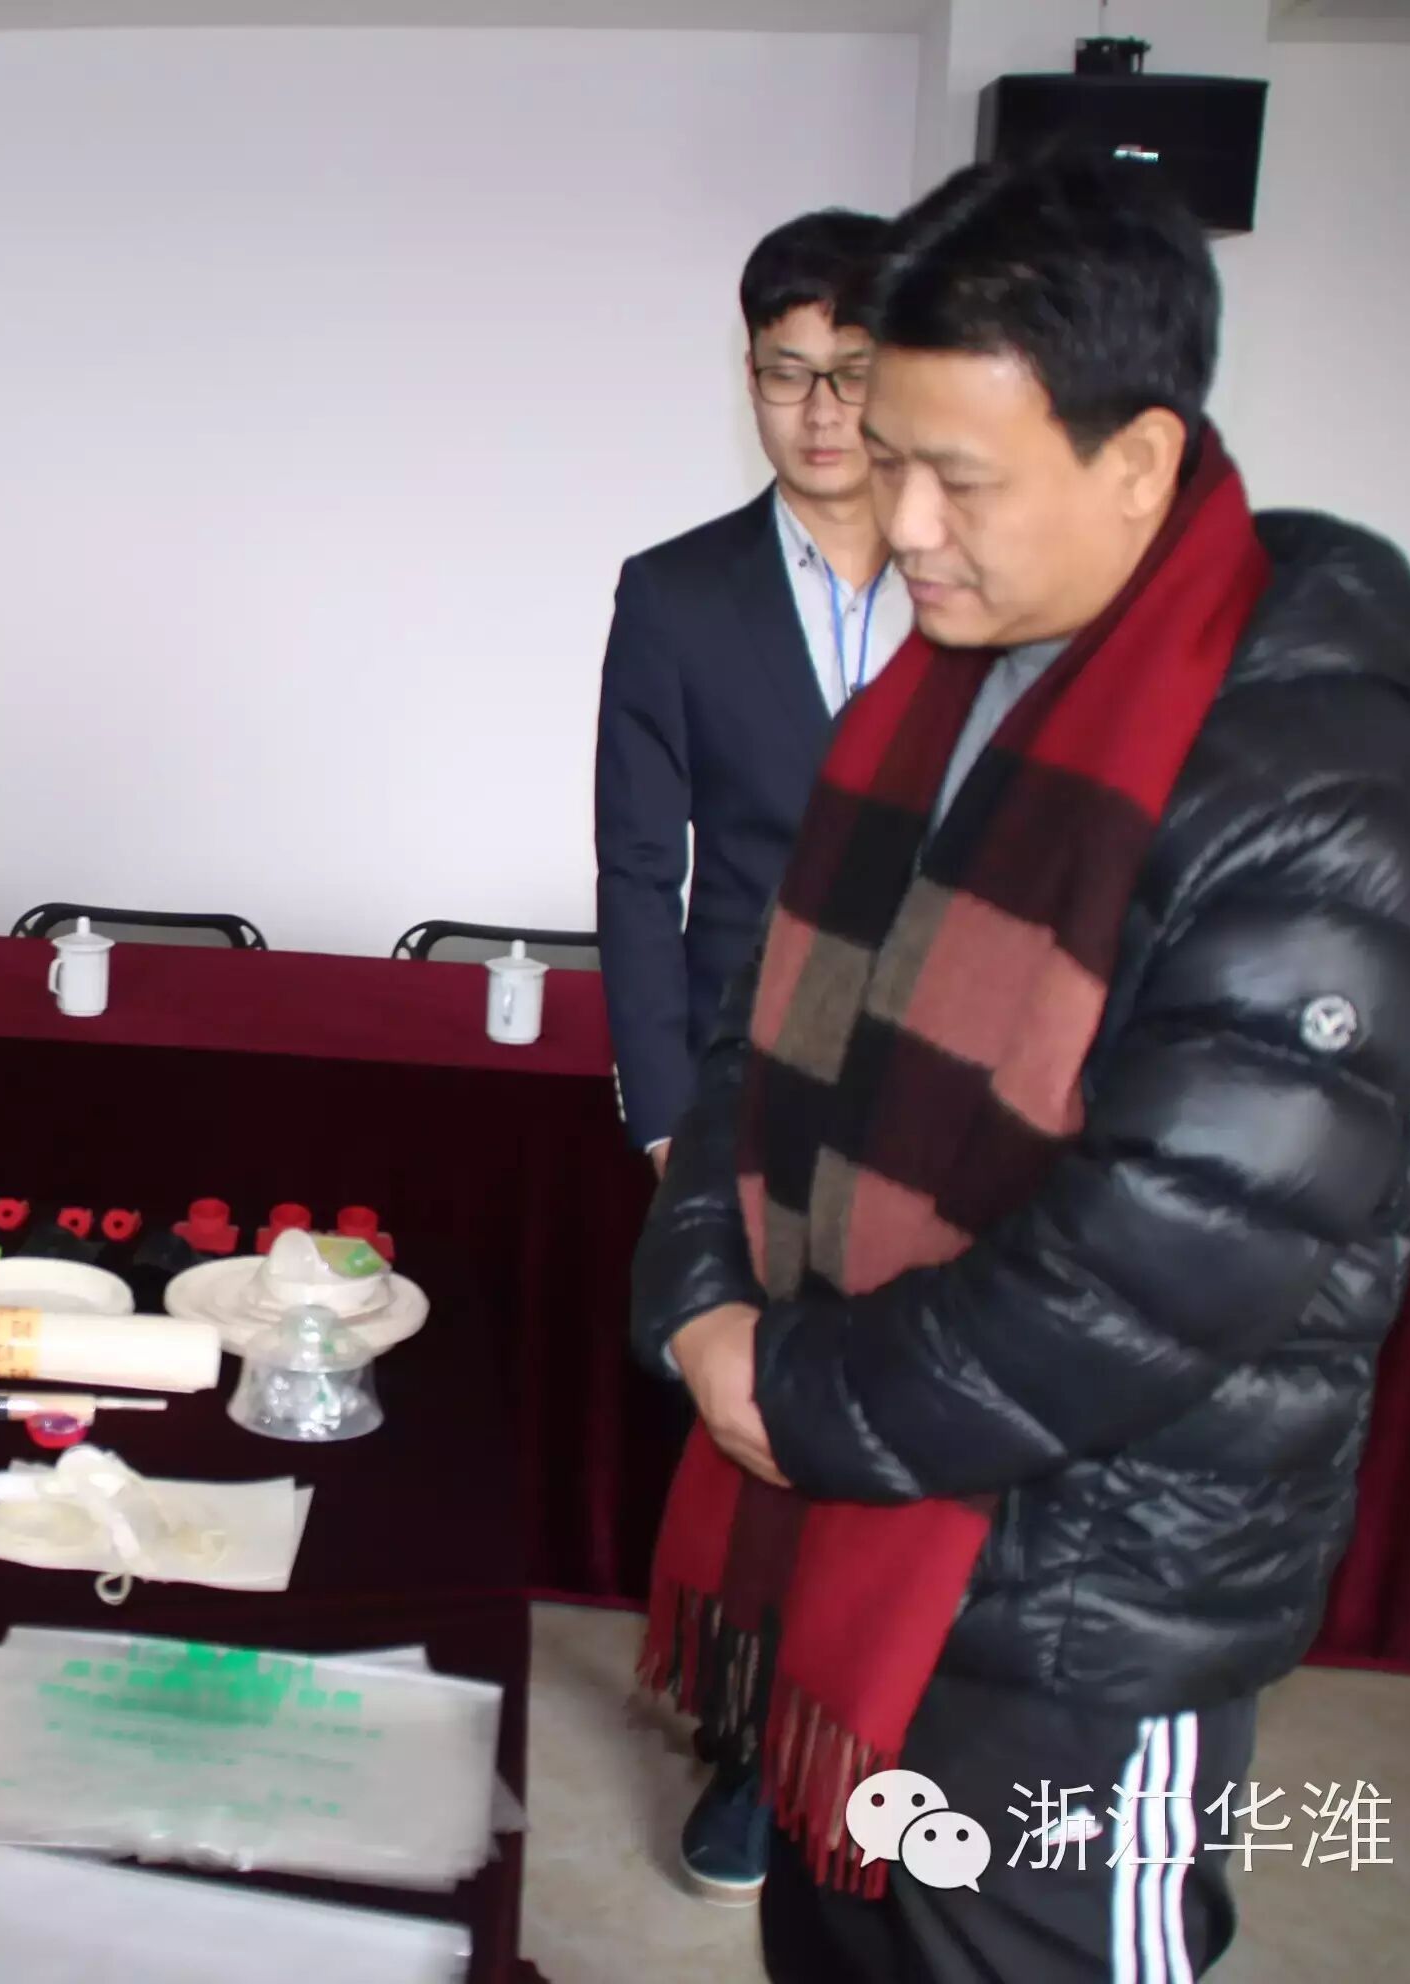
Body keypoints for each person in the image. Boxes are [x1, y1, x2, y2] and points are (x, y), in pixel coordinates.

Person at [630, 152, 1410, 1983]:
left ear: (1141, 460)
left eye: (962, 476)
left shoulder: (1317, 805)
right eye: (884, 455)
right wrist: (699, 1301)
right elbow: (761, 1043)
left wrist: (789, 1389)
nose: (904, 521)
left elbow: (1157, 1264)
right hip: (851, 1550)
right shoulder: (934, 695)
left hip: (1084, 1611)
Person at [593, 204, 899, 1903]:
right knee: (743, 1422)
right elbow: (639, 868)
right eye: (787, 375)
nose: (821, 412)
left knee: (900, 1418)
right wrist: (662, 1112)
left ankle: (870, 1728)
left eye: (852, 373)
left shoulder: (973, 571)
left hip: (940, 1087)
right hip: (747, 1078)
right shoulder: (678, 593)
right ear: (751, 378)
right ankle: (747, 1750)